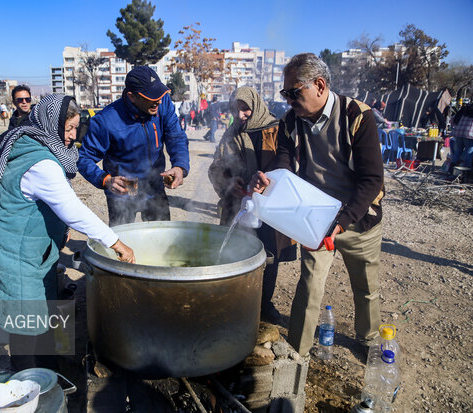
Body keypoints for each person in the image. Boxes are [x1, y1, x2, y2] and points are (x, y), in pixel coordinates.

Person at [0, 94, 134, 370]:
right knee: (25, 318)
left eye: (76, 128)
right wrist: (116, 242)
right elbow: (72, 210)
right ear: (50, 124)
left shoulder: (29, 140)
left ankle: (47, 370)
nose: (72, 136)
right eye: (68, 129)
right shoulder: (42, 163)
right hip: (13, 248)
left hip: (20, 241)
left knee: (40, 308)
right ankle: (28, 379)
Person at [249, 53, 384, 357]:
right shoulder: (291, 121)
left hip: (360, 217)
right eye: (285, 94)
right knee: (310, 286)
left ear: (319, 85)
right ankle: (298, 351)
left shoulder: (357, 116)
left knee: (365, 286)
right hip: (317, 218)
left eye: (293, 93)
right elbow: (284, 161)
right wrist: (271, 180)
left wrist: (343, 221)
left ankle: (367, 338)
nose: (288, 100)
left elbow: (372, 179)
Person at [208, 86, 296, 324]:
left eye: (245, 109)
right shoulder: (231, 134)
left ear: (256, 106)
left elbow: (289, 166)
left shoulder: (277, 130)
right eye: (236, 110)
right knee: (235, 254)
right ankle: (236, 300)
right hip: (238, 207)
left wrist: (268, 185)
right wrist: (228, 181)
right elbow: (215, 167)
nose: (240, 115)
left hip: (269, 208)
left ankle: (264, 303)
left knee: (269, 256)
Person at [77, 66, 190, 226]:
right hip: (124, 189)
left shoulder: (163, 103)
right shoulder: (105, 120)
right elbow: (83, 158)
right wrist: (105, 180)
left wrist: (180, 166)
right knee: (123, 241)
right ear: (131, 96)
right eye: (151, 97)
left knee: (161, 238)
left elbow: (176, 136)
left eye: (159, 94)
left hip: (154, 184)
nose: (158, 101)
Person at [449, 104, 473, 169]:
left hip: (458, 133)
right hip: (469, 134)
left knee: (457, 152)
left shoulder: (464, 109)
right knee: (469, 152)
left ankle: (451, 168)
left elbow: (452, 120)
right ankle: (465, 171)